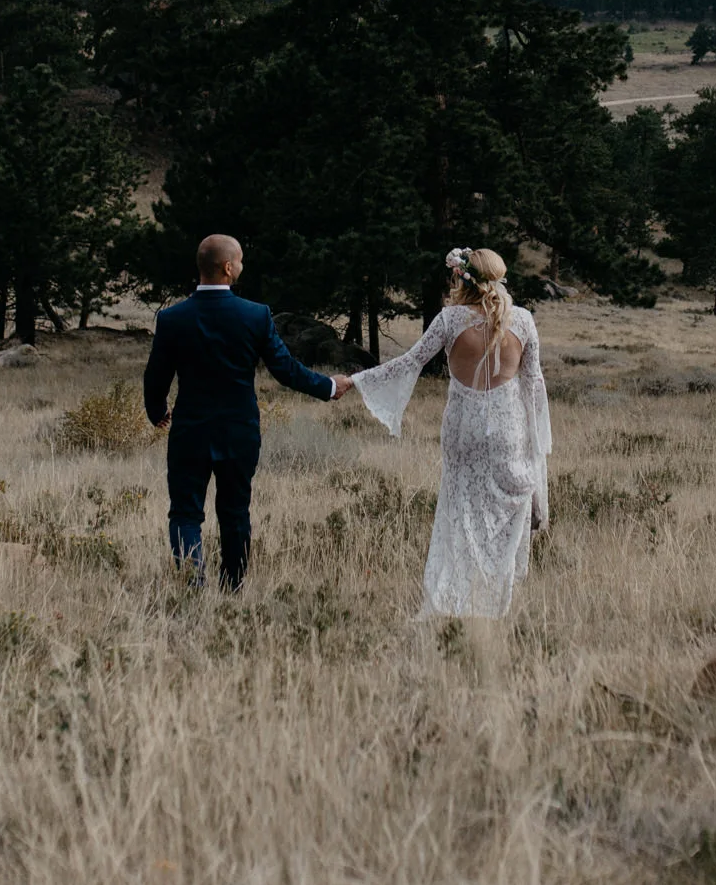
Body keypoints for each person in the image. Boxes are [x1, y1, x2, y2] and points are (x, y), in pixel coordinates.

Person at [344, 247, 553, 618]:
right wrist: (536, 452)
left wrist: (357, 380)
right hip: (508, 430)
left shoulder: (449, 319)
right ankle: (493, 603)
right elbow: (534, 386)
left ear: (461, 277)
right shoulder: (522, 320)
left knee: (460, 512)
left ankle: (454, 599)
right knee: (506, 511)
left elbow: (410, 362)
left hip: (462, 430)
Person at [143, 233, 350, 590]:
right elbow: (285, 369)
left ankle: (191, 587)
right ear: (227, 268)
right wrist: (328, 387)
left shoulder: (172, 318)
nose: (242, 266)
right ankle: (232, 587)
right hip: (239, 431)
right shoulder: (255, 315)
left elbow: (156, 374)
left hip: (190, 430)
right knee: (235, 511)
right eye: (239, 260)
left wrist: (157, 410)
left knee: (184, 512)